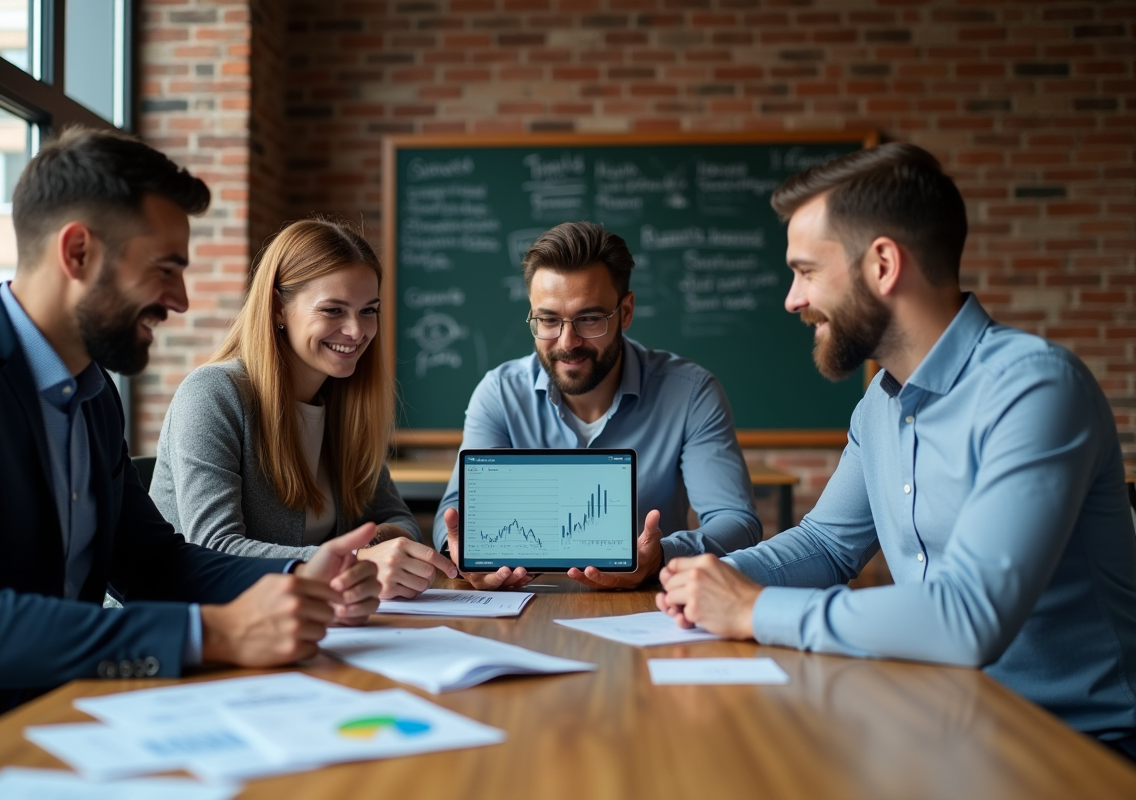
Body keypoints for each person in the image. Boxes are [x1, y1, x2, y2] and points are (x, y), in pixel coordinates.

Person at [656, 143, 1136, 753]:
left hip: (1071, 749)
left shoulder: (1035, 389)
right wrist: (705, 578)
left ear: (882, 264)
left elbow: (968, 618)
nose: (792, 300)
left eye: (805, 271)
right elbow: (827, 545)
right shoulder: (881, 404)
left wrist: (752, 610)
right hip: (940, 721)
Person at [0, 128, 381, 744]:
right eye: (164, 269)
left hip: (77, 719)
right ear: (78, 253)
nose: (180, 299)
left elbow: (153, 564)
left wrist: (305, 573)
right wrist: (214, 635)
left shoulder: (90, 395)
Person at [435, 222, 762, 590]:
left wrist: (661, 555)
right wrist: (460, 551)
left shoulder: (691, 392)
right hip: (526, 603)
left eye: (589, 318)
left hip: (645, 608)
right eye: (548, 319)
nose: (567, 341)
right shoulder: (499, 392)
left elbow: (737, 522)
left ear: (625, 312)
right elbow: (455, 517)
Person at [150, 219, 457, 598]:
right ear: (279, 308)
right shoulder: (213, 394)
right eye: (333, 310)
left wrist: (378, 545)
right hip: (186, 628)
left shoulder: (345, 404)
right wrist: (357, 561)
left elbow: (400, 522)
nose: (357, 331)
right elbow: (215, 549)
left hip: (300, 623)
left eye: (368, 311)